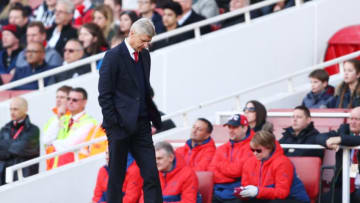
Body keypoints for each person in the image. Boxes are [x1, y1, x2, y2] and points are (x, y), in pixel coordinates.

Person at [98, 18, 163, 203]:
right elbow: (104, 95)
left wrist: (154, 118)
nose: (145, 45)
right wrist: (114, 125)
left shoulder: (145, 56)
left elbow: (144, 90)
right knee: (117, 177)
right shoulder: (112, 56)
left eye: (148, 41)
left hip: (141, 125)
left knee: (151, 174)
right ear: (132, 33)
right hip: (119, 126)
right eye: (143, 40)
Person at [236, 130, 310, 203]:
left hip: (293, 199)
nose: (255, 153)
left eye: (258, 150)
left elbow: (282, 193)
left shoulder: (283, 163)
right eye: (252, 150)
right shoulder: (249, 162)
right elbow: (246, 185)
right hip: (267, 197)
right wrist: (243, 193)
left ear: (269, 147)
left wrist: (258, 191)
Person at [44, 87, 97, 169]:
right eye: (68, 99)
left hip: (75, 168)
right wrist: (58, 117)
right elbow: (47, 140)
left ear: (84, 102)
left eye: (75, 100)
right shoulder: (63, 118)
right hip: (55, 166)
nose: (70, 102)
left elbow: (70, 144)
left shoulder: (89, 121)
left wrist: (53, 144)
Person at [316, 106, 360, 203]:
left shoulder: (342, 136)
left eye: (357, 119)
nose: (352, 122)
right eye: (351, 118)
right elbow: (319, 137)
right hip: (343, 185)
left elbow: (356, 140)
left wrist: (340, 139)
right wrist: (327, 141)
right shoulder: (344, 130)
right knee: (323, 199)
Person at [209, 114, 255, 202]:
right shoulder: (221, 148)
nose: (231, 130)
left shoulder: (253, 146)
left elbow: (237, 170)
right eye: (229, 127)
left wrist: (219, 165)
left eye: (235, 127)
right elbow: (212, 172)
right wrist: (232, 178)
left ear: (245, 128)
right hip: (219, 191)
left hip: (239, 193)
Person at [0, 97, 40, 185]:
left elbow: (20, 149)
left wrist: (5, 148)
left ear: (25, 110)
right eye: (10, 109)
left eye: (15, 109)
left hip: (24, 177)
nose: (12, 112)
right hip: (4, 177)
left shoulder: (33, 130)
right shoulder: (5, 129)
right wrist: (12, 147)